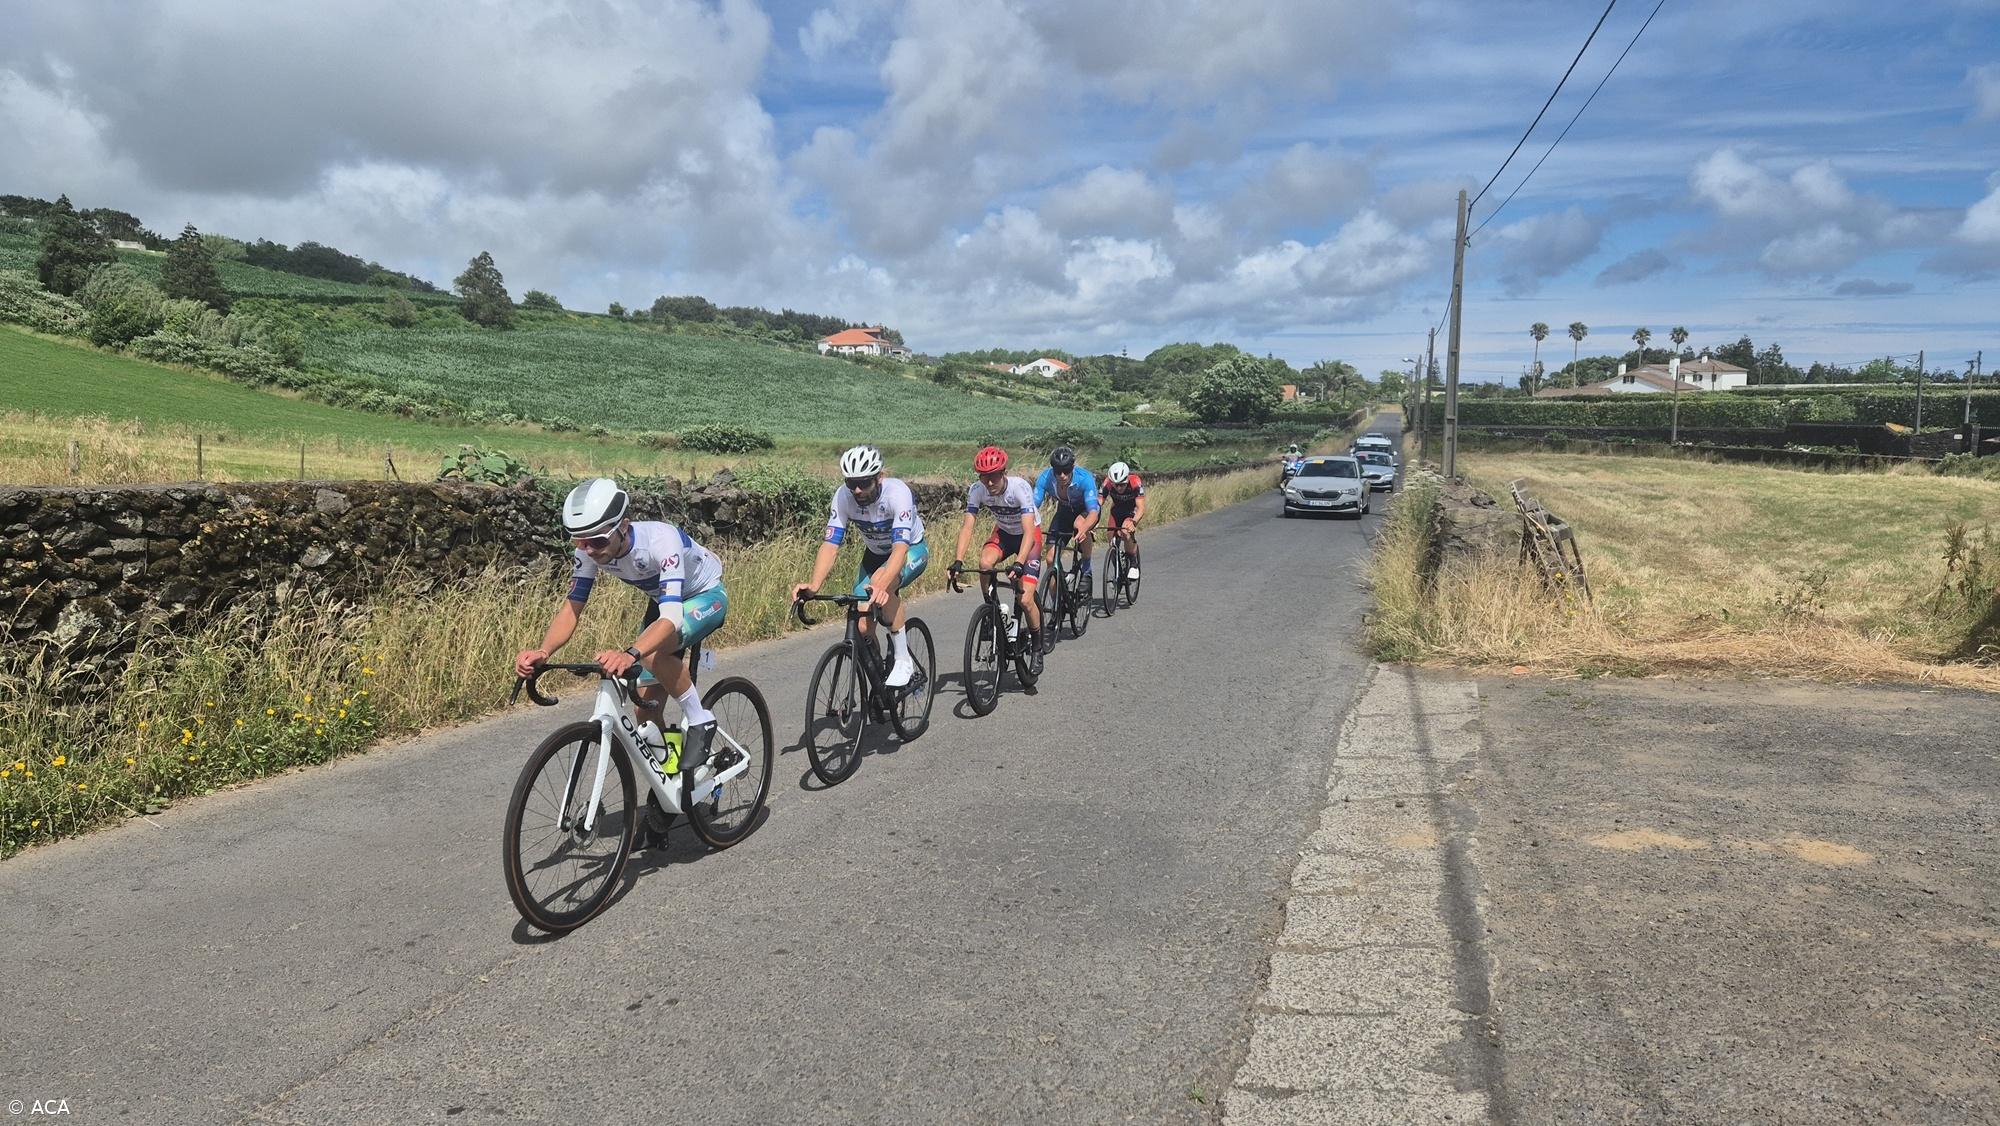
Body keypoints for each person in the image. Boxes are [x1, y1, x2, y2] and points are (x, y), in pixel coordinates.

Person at [514, 477, 728, 774]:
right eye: (579, 541)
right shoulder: (590, 549)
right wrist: (544, 650)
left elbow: (671, 618)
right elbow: (572, 607)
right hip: (664, 601)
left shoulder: (660, 541)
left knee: (651, 654)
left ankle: (700, 718)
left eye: (597, 541)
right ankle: (672, 782)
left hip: (704, 597)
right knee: (645, 712)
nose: (588, 550)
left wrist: (629, 654)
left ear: (624, 526)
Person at [792, 444, 927, 687]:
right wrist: (813, 585)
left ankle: (903, 658)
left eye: (864, 483)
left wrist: (883, 585)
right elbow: (831, 545)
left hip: (910, 551)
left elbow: (899, 549)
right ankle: (879, 682)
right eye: (850, 482)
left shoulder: (898, 493)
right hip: (874, 554)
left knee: (880, 581)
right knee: (862, 625)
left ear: (879, 477)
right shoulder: (843, 497)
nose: (857, 489)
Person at [952, 445, 1046, 673]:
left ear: (1003, 472)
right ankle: (990, 610)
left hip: (1028, 536)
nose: (989, 483)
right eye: (984, 477)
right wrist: (958, 561)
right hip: (1003, 532)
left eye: (993, 476)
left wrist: (1019, 562)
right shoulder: (977, 489)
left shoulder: (1019, 488)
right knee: (984, 563)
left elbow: (1027, 532)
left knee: (1025, 600)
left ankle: (1037, 647)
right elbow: (967, 527)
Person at [1032, 445, 1101, 628]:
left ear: (1072, 468)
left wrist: (1084, 528)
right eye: (1058, 471)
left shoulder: (1084, 478)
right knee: (1050, 559)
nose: (1062, 475)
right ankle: (1058, 604)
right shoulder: (1045, 478)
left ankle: (1086, 567)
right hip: (1064, 512)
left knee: (1080, 525)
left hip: (1086, 512)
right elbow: (1033, 504)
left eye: (1066, 470)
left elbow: (1093, 511)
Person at [1100, 461, 1145, 581]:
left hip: (1131, 510)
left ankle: (1133, 563)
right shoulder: (1107, 483)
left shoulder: (1135, 481)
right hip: (1116, 511)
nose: (1119, 488)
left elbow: (1140, 507)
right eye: (1116, 485)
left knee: (1125, 531)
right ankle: (1118, 568)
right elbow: (1097, 504)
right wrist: (1092, 521)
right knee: (1110, 538)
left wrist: (1133, 522)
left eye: (1122, 485)